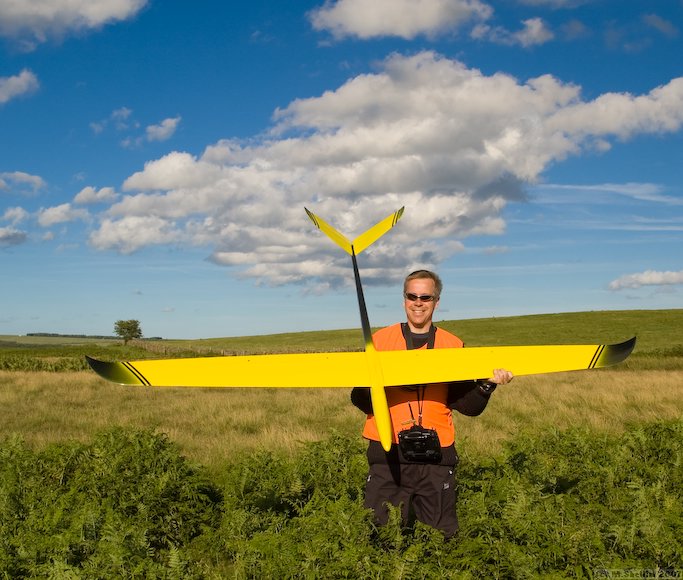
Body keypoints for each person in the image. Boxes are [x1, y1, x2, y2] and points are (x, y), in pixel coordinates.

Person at [351, 269, 513, 538]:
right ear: (404, 299)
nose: (418, 302)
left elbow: (468, 406)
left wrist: (488, 384)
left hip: (437, 458)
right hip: (387, 456)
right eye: (412, 296)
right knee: (379, 537)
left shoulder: (452, 345)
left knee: (441, 540)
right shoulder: (379, 342)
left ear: (436, 301)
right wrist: (390, 380)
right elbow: (360, 399)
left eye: (425, 297)